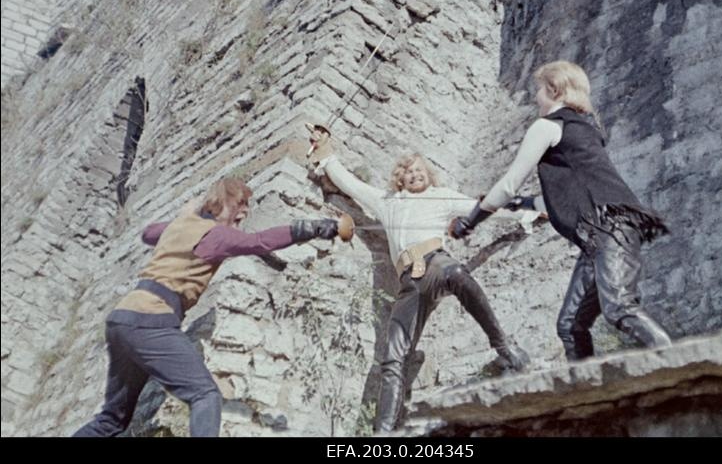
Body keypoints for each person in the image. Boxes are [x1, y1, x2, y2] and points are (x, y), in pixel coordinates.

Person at [74, 176, 342, 437]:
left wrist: (185, 218)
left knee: (112, 420)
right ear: (227, 203)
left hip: (123, 319)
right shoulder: (216, 236)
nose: (244, 214)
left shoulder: (183, 226)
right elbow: (257, 241)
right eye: (241, 206)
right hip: (152, 319)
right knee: (205, 394)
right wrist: (317, 227)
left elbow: (148, 233)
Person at [308, 133, 529, 434]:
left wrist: (530, 214)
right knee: (392, 355)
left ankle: (504, 347)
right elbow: (350, 183)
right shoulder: (388, 202)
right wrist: (326, 154)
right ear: (400, 179)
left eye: (419, 170)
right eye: (408, 171)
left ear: (428, 174)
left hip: (436, 262)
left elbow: (485, 208)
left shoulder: (442, 195)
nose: (414, 174)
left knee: (459, 275)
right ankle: (383, 432)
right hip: (408, 282)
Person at [451, 60, 672, 361]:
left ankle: (685, 366)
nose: (536, 98)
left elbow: (508, 185)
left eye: (539, 91)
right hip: (603, 234)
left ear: (553, 90)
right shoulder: (581, 131)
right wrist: (522, 204)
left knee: (619, 307)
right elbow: (565, 196)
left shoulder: (548, 126)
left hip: (607, 229)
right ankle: (591, 399)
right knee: (570, 325)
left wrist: (471, 221)